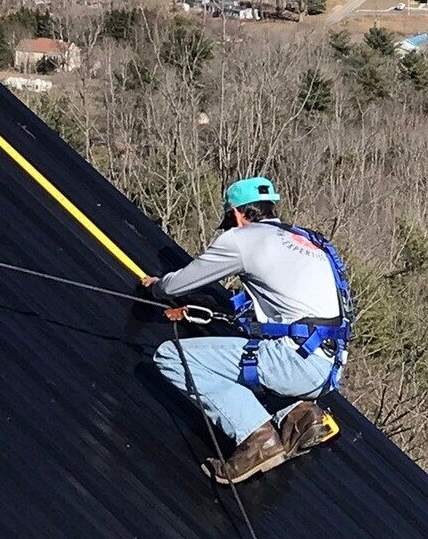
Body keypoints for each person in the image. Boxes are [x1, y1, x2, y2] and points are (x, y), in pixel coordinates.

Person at [143, 176, 351, 484]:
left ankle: (257, 437)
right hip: (327, 368)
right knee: (251, 348)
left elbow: (181, 283)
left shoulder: (243, 239)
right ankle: (301, 416)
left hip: (293, 362)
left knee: (171, 356)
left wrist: (159, 287)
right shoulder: (308, 241)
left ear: (238, 215)